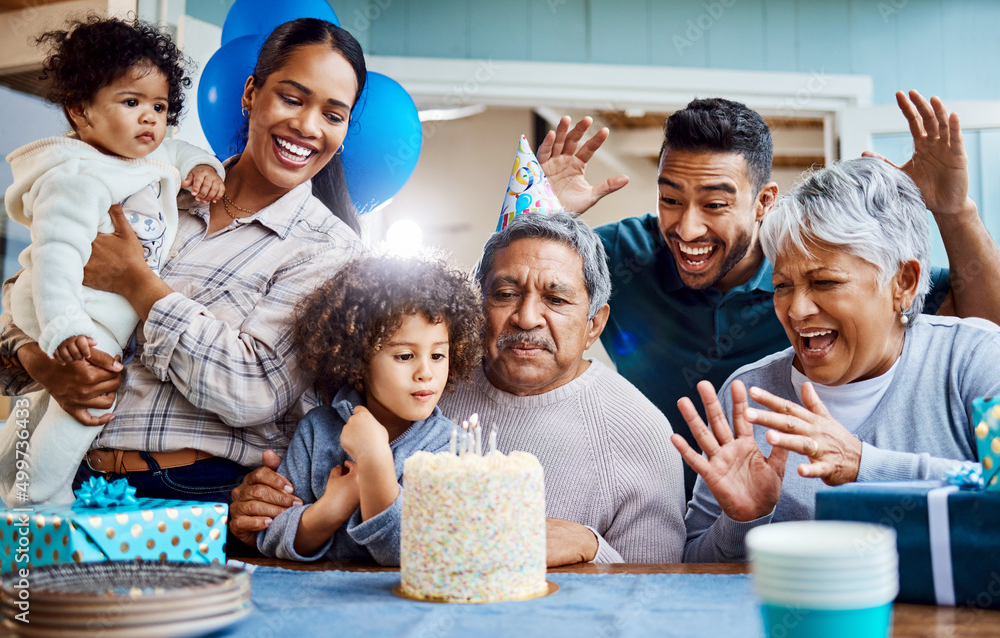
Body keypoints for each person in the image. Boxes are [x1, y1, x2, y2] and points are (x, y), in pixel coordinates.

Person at [538, 94, 1000, 499]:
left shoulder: (857, 281)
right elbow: (513, 303)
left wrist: (955, 212)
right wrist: (539, 215)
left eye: (715, 204)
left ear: (764, 202)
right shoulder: (624, 255)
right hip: (663, 512)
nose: (688, 228)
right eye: (670, 200)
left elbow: (985, 326)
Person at [0, 18, 365, 510]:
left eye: (333, 115)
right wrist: (43, 363)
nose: (307, 126)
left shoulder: (330, 250)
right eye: (292, 99)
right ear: (251, 94)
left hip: (194, 495)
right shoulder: (151, 180)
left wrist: (138, 284)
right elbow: (32, 292)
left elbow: (253, 388)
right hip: (68, 481)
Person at [232, 212, 687, 565]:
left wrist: (589, 545)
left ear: (595, 325)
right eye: (505, 293)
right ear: (474, 307)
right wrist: (261, 503)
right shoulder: (426, 383)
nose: (527, 317)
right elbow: (284, 506)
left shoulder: (641, 430)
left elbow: (655, 592)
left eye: (556, 298)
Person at [673, 156, 999, 562]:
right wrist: (744, 520)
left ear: (904, 282)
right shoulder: (748, 397)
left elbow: (994, 485)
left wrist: (865, 465)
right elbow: (690, 570)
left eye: (824, 281)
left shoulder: (976, 359)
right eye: (783, 286)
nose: (796, 310)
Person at [0, 16, 226, 505]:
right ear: (81, 112)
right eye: (131, 102)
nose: (149, 118)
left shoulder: (138, 154)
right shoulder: (76, 179)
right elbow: (55, 256)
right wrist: (64, 329)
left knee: (38, 408)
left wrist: (204, 168)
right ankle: (38, 495)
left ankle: (9, 474)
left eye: (160, 106)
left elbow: (177, 148)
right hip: (79, 312)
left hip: (99, 308)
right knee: (88, 406)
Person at [256, 254, 482, 565]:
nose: (425, 372)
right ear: (357, 360)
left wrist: (375, 459)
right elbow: (270, 536)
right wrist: (333, 506)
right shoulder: (316, 430)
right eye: (404, 356)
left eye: (438, 355)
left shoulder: (455, 449)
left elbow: (413, 552)